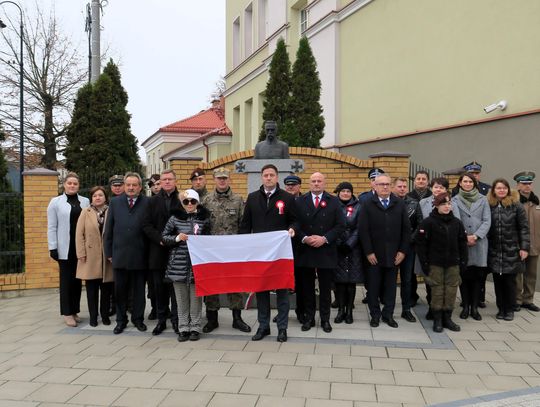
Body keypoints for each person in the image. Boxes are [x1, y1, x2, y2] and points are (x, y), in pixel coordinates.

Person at [240, 164, 296, 342]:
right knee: (261, 290)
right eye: (266, 175)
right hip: (259, 254)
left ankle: (282, 328)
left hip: (279, 253)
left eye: (272, 175)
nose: (269, 178)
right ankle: (263, 326)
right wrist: (242, 245)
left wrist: (293, 229)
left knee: (281, 291)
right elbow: (245, 225)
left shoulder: (287, 198)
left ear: (277, 177)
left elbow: (296, 221)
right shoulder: (252, 198)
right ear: (261, 177)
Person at [293, 172, 345, 333]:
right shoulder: (300, 201)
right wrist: (305, 238)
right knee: (307, 288)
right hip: (306, 250)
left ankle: (325, 319)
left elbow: (340, 225)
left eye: (319, 181)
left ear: (324, 183)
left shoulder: (334, 201)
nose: (316, 183)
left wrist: (324, 238)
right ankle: (308, 318)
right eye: (313, 181)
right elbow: (295, 223)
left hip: (326, 250)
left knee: (325, 289)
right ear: (309, 184)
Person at [201, 167, 251, 333]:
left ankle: (237, 318)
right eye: (219, 178)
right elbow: (200, 225)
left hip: (232, 251)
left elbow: (243, 224)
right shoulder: (206, 200)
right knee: (211, 284)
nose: (222, 181)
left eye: (225, 178)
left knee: (235, 284)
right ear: (214, 180)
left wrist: (242, 246)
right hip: (212, 252)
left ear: (229, 180)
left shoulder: (238, 200)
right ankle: (212, 319)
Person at [358, 174, 410, 328]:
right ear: (375, 186)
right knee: (373, 287)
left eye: (387, 184)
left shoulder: (399, 204)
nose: (385, 187)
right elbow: (363, 230)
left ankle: (388, 315)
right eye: (381, 184)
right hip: (374, 255)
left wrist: (402, 251)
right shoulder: (367, 204)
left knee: (390, 287)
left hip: (394, 255)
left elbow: (406, 230)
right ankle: (375, 315)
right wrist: (368, 252)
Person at [414, 192, 468, 332]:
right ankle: (437, 319)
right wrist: (425, 263)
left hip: (453, 264)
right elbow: (421, 245)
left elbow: (462, 243)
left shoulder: (457, 223)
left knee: (451, 291)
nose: (446, 206)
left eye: (449, 204)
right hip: (435, 264)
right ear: (436, 205)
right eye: (443, 204)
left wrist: (463, 262)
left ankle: (447, 318)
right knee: (437, 291)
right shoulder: (428, 222)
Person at [162, 189, 210, 342]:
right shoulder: (175, 218)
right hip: (178, 264)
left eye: (193, 201)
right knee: (181, 299)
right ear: (182, 203)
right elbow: (164, 237)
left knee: (196, 298)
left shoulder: (204, 219)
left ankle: (195, 327)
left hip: (197, 265)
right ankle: (183, 328)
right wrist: (177, 238)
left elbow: (210, 239)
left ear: (197, 202)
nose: (189, 204)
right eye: (186, 202)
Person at [104, 172, 149, 334]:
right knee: (120, 291)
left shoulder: (147, 203)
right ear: (124, 186)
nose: (131, 188)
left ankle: (138, 319)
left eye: (134, 185)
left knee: (138, 292)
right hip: (119, 255)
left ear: (140, 187)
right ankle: (121, 321)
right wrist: (108, 252)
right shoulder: (115, 203)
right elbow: (108, 230)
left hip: (140, 255)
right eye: (128, 185)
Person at [47, 172, 90, 327]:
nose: (72, 186)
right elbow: (51, 226)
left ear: (79, 186)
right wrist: (53, 246)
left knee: (78, 281)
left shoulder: (85, 201)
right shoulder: (55, 202)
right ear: (64, 184)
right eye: (69, 183)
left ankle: (75, 310)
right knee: (66, 281)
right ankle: (67, 313)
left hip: (80, 248)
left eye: (75, 183)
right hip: (64, 248)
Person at [142, 169, 180, 336]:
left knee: (176, 288)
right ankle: (161, 320)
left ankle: (178, 321)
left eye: (169, 179)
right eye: (164, 179)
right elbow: (146, 225)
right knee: (159, 288)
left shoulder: (183, 199)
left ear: (175, 181)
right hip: (158, 250)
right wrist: (161, 239)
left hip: (178, 251)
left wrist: (175, 239)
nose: (166, 182)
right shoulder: (152, 202)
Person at [418, 177, 460, 319]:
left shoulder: (453, 208)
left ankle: (445, 315)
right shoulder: (423, 203)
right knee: (433, 285)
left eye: (441, 187)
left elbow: (457, 228)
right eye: (436, 187)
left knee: (449, 288)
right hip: (432, 252)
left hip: (449, 254)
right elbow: (420, 224)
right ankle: (433, 311)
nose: (438, 189)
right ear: (431, 188)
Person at [487, 178, 530, 321]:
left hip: (512, 249)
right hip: (494, 250)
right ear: (494, 190)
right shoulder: (489, 205)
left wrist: (524, 247)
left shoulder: (516, 206)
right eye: (498, 188)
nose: (501, 190)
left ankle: (510, 309)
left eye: (504, 188)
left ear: (508, 190)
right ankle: (501, 308)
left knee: (510, 282)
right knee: (498, 282)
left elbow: (524, 228)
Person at [451, 172, 491, 321]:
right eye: (465, 181)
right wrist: (465, 236)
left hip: (479, 242)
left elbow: (487, 220)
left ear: (474, 184)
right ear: (460, 183)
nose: (467, 184)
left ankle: (475, 307)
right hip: (463, 243)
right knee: (465, 275)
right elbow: (456, 220)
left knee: (478, 276)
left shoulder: (483, 199)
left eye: (470, 182)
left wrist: (476, 235)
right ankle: (466, 306)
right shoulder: (454, 200)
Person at [75, 186, 113, 327]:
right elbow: (79, 234)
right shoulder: (85, 212)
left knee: (106, 290)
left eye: (100, 195)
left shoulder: (111, 211)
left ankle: (105, 315)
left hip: (106, 257)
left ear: (105, 197)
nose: (97, 197)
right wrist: (81, 253)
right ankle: (93, 316)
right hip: (89, 256)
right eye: (95, 195)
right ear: (91, 198)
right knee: (91, 290)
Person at [393, 177, 422, 322]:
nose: (402, 188)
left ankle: (406, 309)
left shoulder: (414, 203)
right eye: (399, 186)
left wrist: (408, 241)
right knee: (390, 280)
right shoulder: (388, 203)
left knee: (407, 280)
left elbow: (420, 225)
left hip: (408, 248)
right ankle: (388, 309)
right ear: (394, 187)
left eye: (404, 186)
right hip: (391, 248)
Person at [333, 182, 363, 324]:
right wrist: (338, 242)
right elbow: (331, 225)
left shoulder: (358, 206)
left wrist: (349, 244)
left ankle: (349, 311)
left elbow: (359, 228)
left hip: (353, 249)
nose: (345, 193)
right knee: (339, 281)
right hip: (337, 248)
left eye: (348, 191)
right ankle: (340, 310)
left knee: (351, 282)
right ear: (338, 192)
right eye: (343, 191)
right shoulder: (333, 205)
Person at [514, 171, 540, 312]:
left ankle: (528, 300)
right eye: (524, 183)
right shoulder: (514, 202)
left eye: (529, 183)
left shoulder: (537, 202)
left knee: (531, 274)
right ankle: (516, 300)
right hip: (519, 245)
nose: (527, 186)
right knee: (518, 274)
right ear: (518, 185)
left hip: (535, 244)